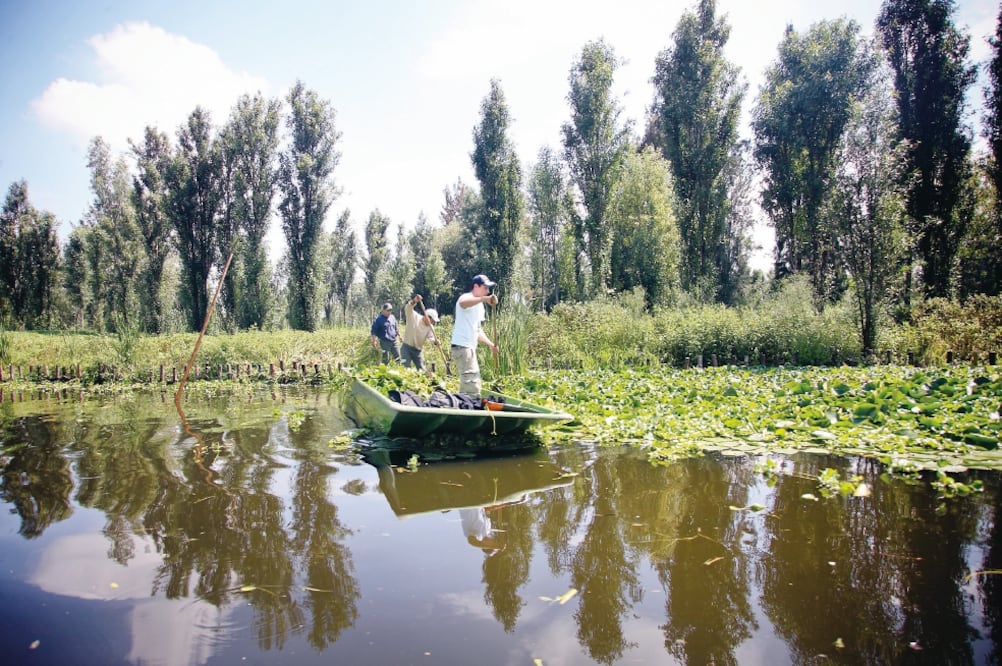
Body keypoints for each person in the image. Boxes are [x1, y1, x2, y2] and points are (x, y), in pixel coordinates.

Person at [450, 274, 499, 396]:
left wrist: (490, 344)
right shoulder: (467, 297)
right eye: (485, 287)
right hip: (462, 346)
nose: (487, 291)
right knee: (472, 386)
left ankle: (463, 406)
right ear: (476, 286)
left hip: (469, 347)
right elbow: (463, 303)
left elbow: (477, 330)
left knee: (470, 384)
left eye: (489, 289)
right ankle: (466, 410)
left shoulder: (480, 306)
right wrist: (484, 299)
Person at [400, 294, 440, 371]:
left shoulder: (430, 327)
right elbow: (408, 308)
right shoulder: (414, 316)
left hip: (418, 350)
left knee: (422, 370)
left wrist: (435, 342)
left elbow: (431, 337)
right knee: (405, 369)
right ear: (427, 316)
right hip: (406, 347)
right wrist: (414, 301)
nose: (433, 323)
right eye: (432, 320)